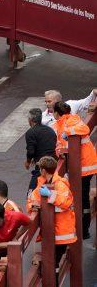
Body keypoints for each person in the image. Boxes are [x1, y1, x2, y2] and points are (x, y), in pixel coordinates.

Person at [53, 101, 97, 239]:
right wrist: (59, 150)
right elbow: (60, 143)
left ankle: (84, 230)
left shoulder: (72, 120)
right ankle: (82, 229)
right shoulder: (60, 124)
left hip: (84, 167)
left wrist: (68, 133)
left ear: (56, 113)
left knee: (82, 200)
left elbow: (83, 129)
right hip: (81, 166)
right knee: (80, 199)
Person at [26, 156, 76, 267]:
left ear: (43, 170)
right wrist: (32, 206)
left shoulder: (60, 184)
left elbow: (66, 202)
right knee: (52, 264)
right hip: (52, 231)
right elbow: (31, 199)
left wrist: (50, 195)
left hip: (62, 232)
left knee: (53, 264)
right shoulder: (43, 183)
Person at [24, 108, 57, 192]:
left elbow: (31, 151)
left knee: (32, 189)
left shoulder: (30, 132)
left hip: (42, 165)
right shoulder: (50, 130)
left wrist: (28, 161)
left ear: (30, 120)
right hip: (53, 163)